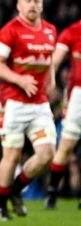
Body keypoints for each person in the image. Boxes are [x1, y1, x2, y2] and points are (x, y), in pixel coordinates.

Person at [0, 0, 56, 221]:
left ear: (42, 4)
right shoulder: (11, 30)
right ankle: (0, 207)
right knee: (12, 156)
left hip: (39, 102)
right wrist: (20, 79)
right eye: (28, 0)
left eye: (37, 1)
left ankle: (15, 190)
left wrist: (52, 79)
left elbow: (49, 60)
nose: (33, 5)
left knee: (47, 153)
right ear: (18, 5)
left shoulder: (50, 30)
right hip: (12, 102)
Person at [44, 18, 81, 210]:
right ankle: (51, 193)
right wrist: (50, 84)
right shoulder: (73, 31)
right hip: (78, 95)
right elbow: (55, 62)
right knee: (66, 146)